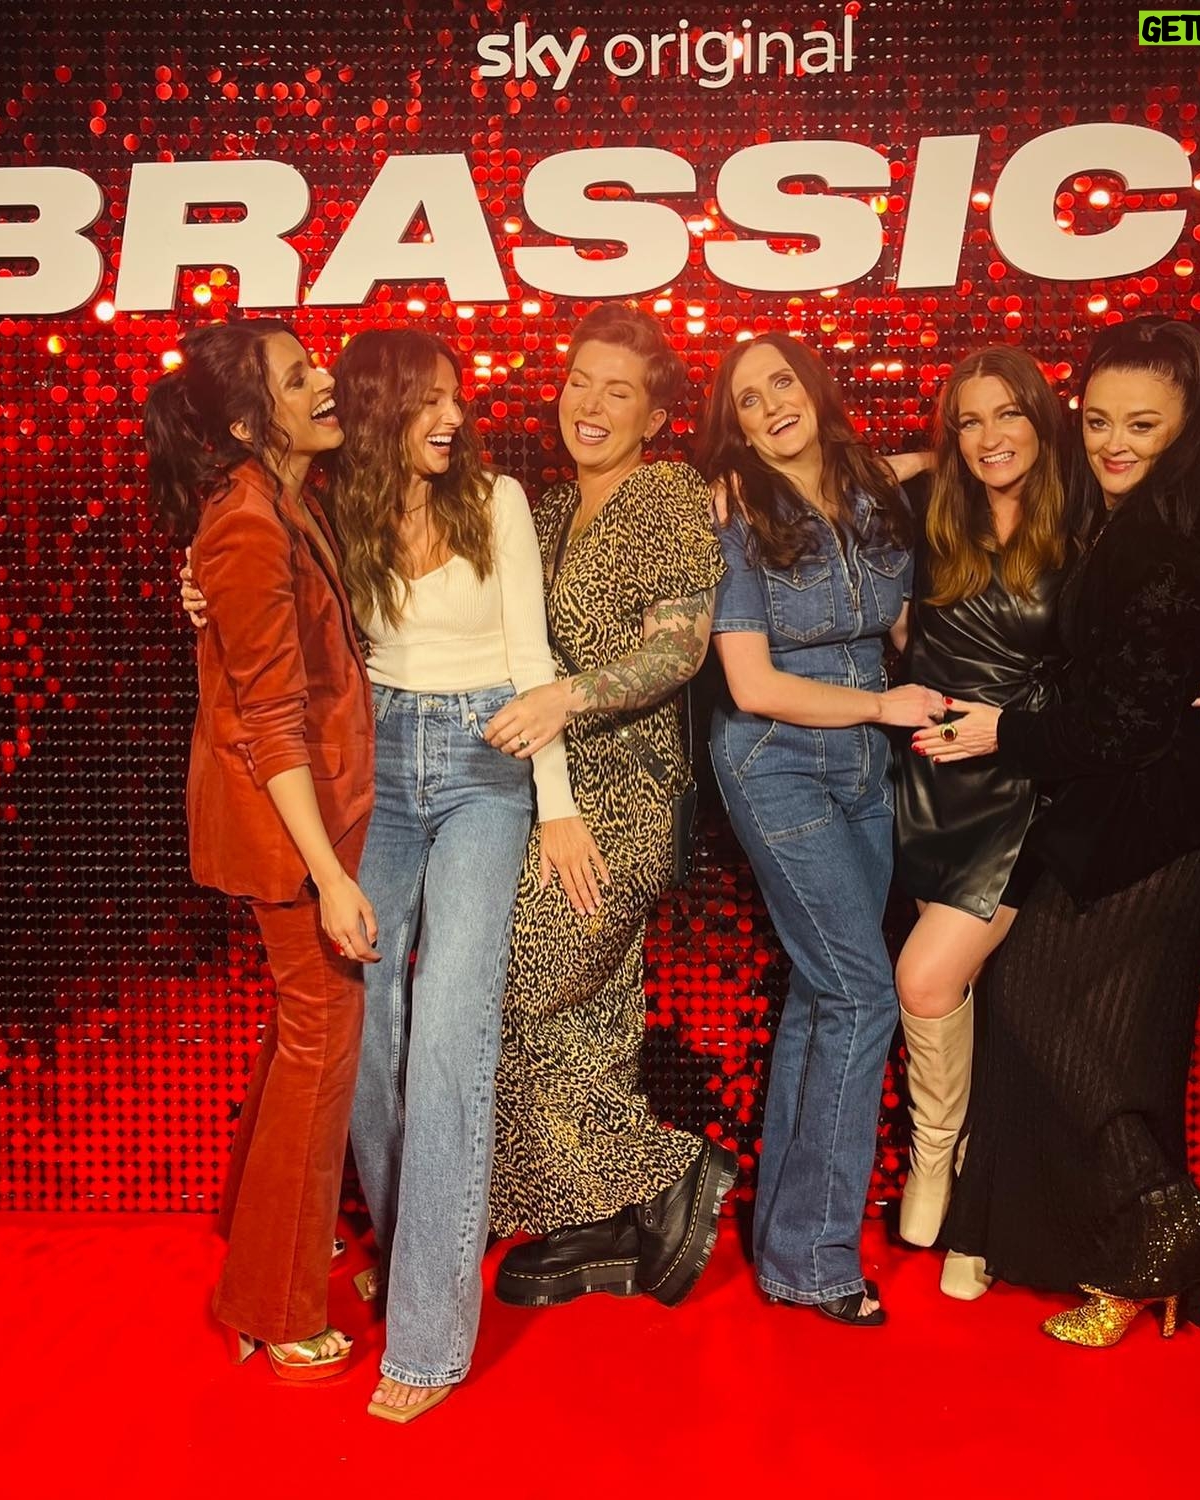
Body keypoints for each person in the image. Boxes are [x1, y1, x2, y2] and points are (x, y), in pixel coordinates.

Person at [181, 329, 600, 1423]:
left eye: (457, 398)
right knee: (365, 1026)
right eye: (426, 402)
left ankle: (427, 1336)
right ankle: (412, 1241)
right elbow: (268, 603)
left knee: (453, 1029)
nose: (451, 418)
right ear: (378, 410)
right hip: (376, 759)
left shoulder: (496, 500)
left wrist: (556, 802)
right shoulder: (326, 507)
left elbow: (532, 660)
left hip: (487, 761)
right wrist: (201, 592)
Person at [914, 317, 1200, 1344]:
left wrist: (1002, 731)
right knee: (1113, 1035)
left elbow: (1122, 721)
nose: (1114, 441)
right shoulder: (1123, 510)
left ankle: (1161, 1214)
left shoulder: (1159, 539)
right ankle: (1132, 1250)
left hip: (1157, 824)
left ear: (1187, 426)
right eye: (1099, 420)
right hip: (1130, 813)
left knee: (1033, 996)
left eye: (1142, 424)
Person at [484, 304, 738, 1309]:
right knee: (585, 1011)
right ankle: (596, 1221)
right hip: (544, 796)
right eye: (579, 380)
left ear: (655, 417)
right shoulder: (547, 512)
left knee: (525, 990)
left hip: (622, 799)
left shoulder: (665, 495)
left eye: (617, 390)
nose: (589, 404)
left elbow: (679, 649)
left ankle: (668, 1170)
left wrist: (567, 697)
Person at [146, 318, 377, 1380]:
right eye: (297, 378)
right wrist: (328, 876)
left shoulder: (278, 501)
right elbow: (272, 722)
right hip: (290, 829)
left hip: (311, 812)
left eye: (313, 364)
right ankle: (271, 1302)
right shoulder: (246, 522)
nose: (323, 381)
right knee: (320, 1043)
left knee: (304, 1036)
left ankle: (267, 1229)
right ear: (249, 423)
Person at [699, 331, 946, 1325]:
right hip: (775, 757)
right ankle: (815, 1258)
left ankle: (785, 1242)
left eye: (781, 384)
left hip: (865, 766)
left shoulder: (875, 494)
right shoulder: (736, 515)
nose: (771, 407)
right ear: (737, 430)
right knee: (859, 991)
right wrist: (884, 705)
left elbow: (904, 607)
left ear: (813, 386)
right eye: (748, 401)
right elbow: (752, 684)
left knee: (821, 993)